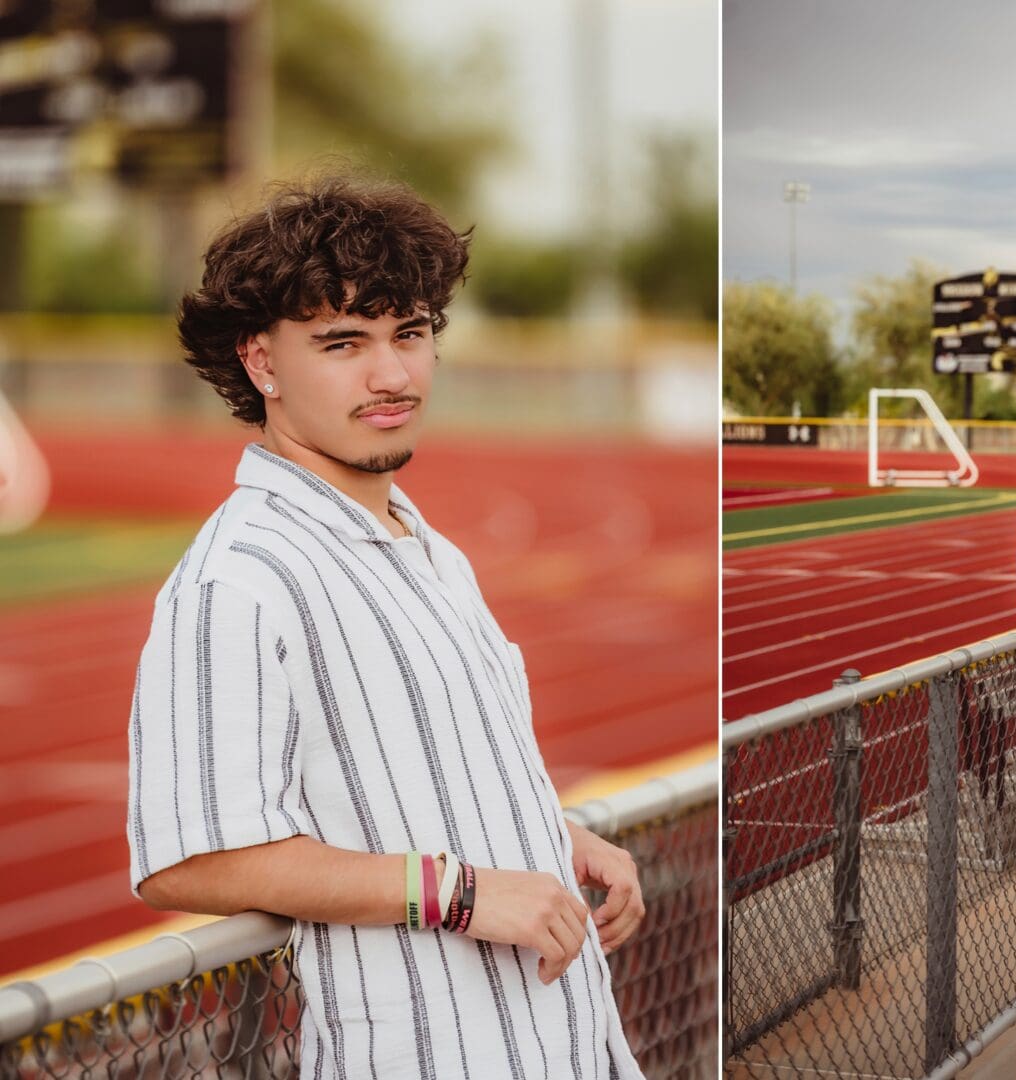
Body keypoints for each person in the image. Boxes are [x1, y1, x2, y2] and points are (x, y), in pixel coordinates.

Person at [126, 176, 647, 1078]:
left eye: (410, 334)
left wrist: (550, 837)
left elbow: (414, 773)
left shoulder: (426, 545)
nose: (393, 374)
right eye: (343, 343)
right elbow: (191, 858)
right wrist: (457, 891)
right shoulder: (239, 577)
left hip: (566, 1043)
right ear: (262, 363)